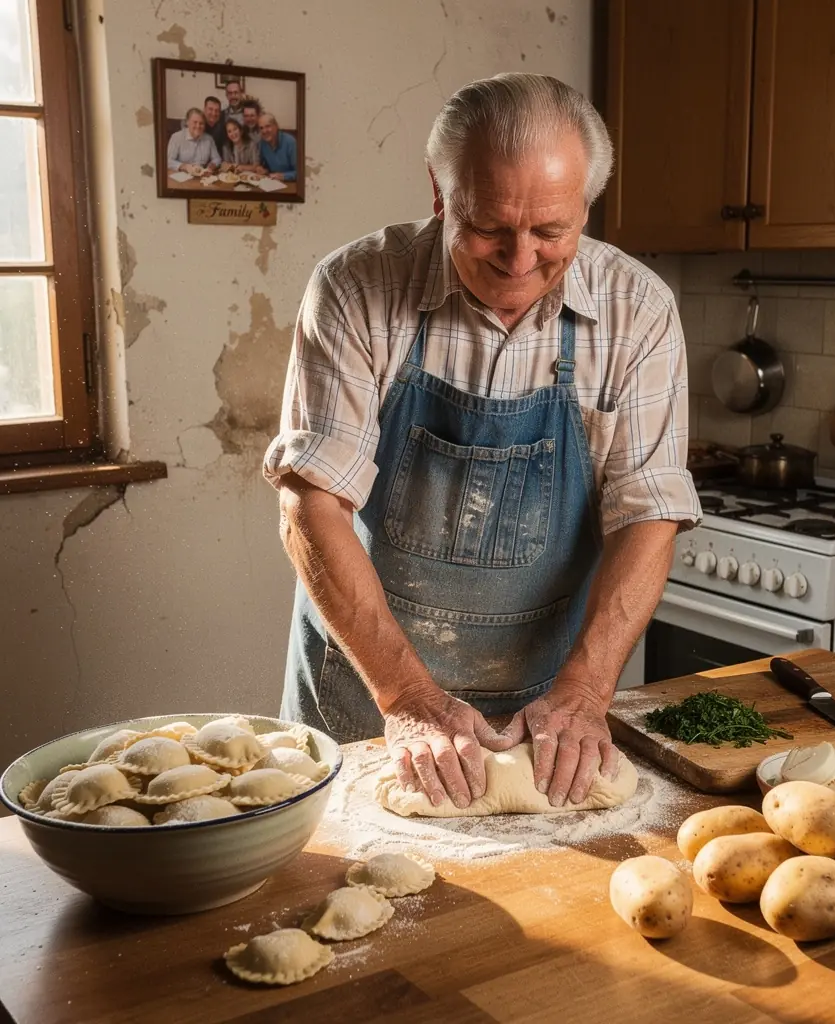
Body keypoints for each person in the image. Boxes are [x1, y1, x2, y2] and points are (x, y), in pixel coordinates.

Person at [264, 73, 700, 813]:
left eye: (551, 231)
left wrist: (588, 691)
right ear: (439, 194)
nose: (520, 258)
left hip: (548, 710)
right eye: (490, 227)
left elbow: (649, 512)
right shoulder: (355, 288)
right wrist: (406, 697)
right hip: (369, 694)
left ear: (585, 208)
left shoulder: (639, 311)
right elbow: (313, 506)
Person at [167, 107, 220, 174]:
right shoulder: (176, 137)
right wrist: (184, 166)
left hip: (202, 176)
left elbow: (217, 158)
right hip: (181, 176)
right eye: (195, 122)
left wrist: (212, 165)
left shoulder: (209, 139)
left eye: (201, 123)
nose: (198, 126)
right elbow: (168, 161)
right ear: (187, 122)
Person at [257, 113, 297, 182]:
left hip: (291, 184)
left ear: (276, 126)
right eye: (261, 128)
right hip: (273, 183)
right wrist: (264, 170)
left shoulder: (290, 142)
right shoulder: (262, 143)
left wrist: (284, 176)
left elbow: (301, 172)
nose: (264, 131)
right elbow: (266, 167)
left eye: (268, 126)